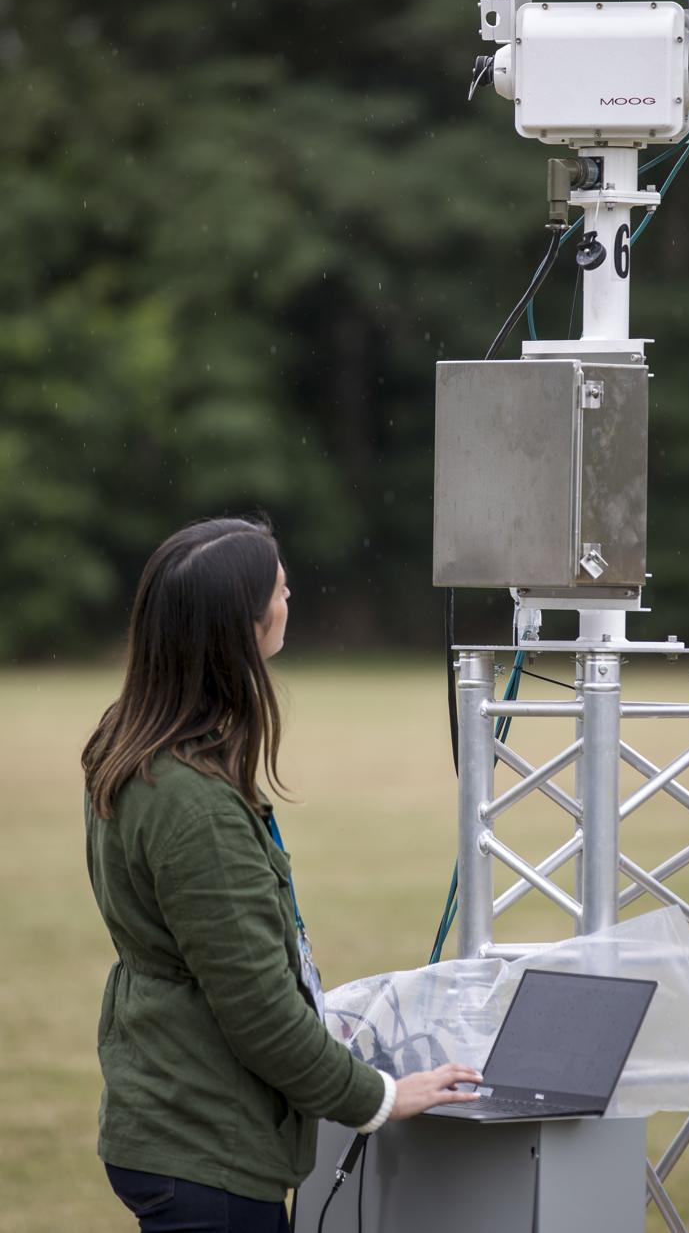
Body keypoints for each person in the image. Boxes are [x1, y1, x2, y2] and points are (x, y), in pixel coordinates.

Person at [82, 517, 480, 1232]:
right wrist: (380, 1097)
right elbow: (259, 1013)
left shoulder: (132, 740)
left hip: (166, 1119)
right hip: (207, 1150)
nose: (289, 593)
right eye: (278, 587)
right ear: (240, 626)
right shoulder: (190, 803)